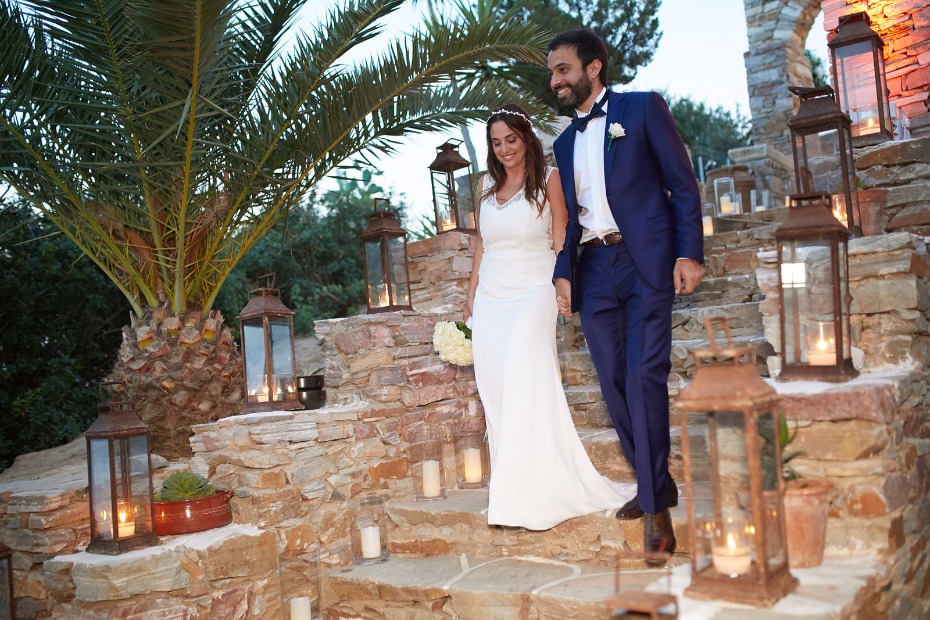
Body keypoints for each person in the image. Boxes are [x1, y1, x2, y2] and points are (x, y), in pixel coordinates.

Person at [547, 29, 705, 556]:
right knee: (614, 383)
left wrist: (689, 253)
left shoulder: (641, 110)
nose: (555, 80)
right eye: (552, 72)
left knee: (643, 374)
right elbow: (570, 221)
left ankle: (656, 512)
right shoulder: (564, 143)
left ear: (593, 68)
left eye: (563, 69)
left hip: (646, 262)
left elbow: (682, 183)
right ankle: (656, 483)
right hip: (593, 269)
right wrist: (563, 273)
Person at [465, 103, 635, 530]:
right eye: (496, 142)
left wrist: (565, 282)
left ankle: (536, 493)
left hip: (532, 290)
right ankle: (511, 491)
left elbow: (562, 236)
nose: (504, 149)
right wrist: (470, 298)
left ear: (526, 138)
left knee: (525, 375)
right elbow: (481, 245)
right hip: (491, 297)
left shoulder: (550, 179)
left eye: (512, 139)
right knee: (497, 389)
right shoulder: (485, 185)